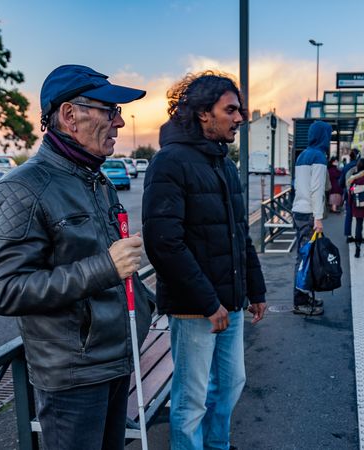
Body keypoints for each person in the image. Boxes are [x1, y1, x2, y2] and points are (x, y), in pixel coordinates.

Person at [0, 64, 150, 450]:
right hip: (73, 376)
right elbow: (3, 290)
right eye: (110, 110)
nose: (120, 122)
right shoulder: (22, 189)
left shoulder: (96, 179)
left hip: (115, 358)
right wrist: (106, 266)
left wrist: (144, 305)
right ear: (70, 115)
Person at [142, 71, 267, 450]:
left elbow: (238, 234)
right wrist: (207, 302)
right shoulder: (168, 162)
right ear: (202, 114)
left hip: (229, 302)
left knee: (230, 386)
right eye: (230, 109)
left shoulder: (223, 164)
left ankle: (217, 446)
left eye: (240, 110)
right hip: (196, 309)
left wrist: (256, 288)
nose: (240, 118)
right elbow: (164, 243)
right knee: (191, 400)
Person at [291, 120, 330, 316]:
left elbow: (298, 185)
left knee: (304, 256)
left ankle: (305, 296)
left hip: (299, 211)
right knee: (306, 258)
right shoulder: (319, 157)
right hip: (309, 214)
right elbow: (316, 190)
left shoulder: (302, 156)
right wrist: (318, 218)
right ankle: (300, 302)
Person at [339, 149, 360, 242]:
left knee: (349, 215)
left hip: (349, 194)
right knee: (361, 215)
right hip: (361, 194)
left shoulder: (346, 167)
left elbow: (341, 183)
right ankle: (359, 235)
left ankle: (348, 235)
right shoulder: (362, 166)